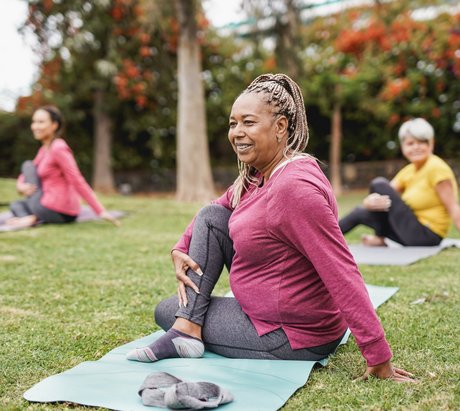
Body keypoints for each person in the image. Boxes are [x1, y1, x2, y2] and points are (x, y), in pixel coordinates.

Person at [127, 74, 414, 382]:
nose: (237, 132)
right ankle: (188, 327)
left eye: (248, 122)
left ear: (280, 127)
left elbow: (340, 270)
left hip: (291, 334)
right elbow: (216, 208)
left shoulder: (294, 189)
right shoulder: (258, 175)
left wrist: (378, 356)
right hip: (268, 315)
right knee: (212, 217)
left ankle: (186, 328)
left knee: (166, 310)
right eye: (232, 123)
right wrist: (180, 247)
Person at [339, 118, 460, 246]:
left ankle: (380, 238)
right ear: (403, 147)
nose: (416, 147)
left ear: (431, 144)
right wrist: (368, 202)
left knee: (378, 183)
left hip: (427, 234)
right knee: (360, 212)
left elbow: (453, 207)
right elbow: (385, 193)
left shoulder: (436, 168)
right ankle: (321, 238)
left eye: (421, 142)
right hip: (408, 231)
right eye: (410, 143)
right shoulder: (409, 170)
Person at [7, 105, 119, 228]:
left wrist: (100, 211)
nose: (35, 126)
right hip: (46, 204)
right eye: (34, 122)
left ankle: (33, 218)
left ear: (54, 125)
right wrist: (20, 186)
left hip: (59, 209)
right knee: (16, 205)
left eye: (41, 122)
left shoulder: (58, 148)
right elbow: (28, 172)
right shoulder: (44, 149)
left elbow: (77, 180)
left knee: (27, 165)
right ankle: (32, 218)